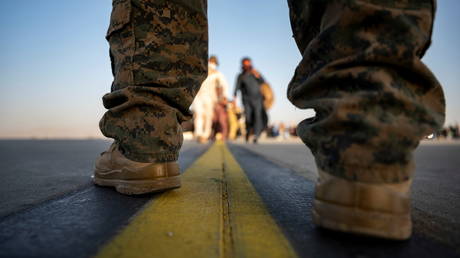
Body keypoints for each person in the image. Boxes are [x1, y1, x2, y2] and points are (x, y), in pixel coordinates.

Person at [93, 0, 445, 240]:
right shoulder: (241, 75)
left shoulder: (254, 75)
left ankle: (144, 140)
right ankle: (367, 146)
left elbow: (255, 90)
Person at [191, 55, 229, 143]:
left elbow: (224, 85)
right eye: (210, 62)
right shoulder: (200, 70)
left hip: (210, 97)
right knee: (199, 113)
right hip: (198, 95)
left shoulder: (218, 74)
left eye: (214, 63)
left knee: (208, 116)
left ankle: (206, 134)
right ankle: (199, 133)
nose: (212, 64)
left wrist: (224, 96)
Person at [234, 58, 268, 143]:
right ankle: (248, 132)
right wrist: (234, 98)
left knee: (257, 116)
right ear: (242, 65)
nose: (247, 66)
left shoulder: (256, 73)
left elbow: (263, 82)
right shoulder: (240, 76)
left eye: (248, 64)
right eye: (245, 64)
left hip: (258, 99)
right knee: (248, 117)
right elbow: (236, 87)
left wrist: (258, 76)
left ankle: (256, 135)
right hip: (246, 100)